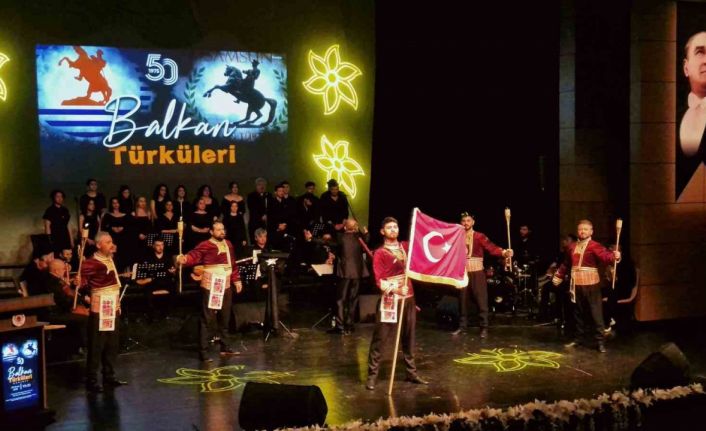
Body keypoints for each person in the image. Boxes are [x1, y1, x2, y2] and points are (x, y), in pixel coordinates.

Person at [365, 217, 427, 390]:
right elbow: (379, 280)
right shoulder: (380, 253)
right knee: (380, 338)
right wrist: (397, 290)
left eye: (395, 227)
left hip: (409, 298)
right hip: (390, 299)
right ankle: (372, 375)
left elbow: (422, 246)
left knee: (409, 337)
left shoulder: (405, 247)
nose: (393, 229)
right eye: (389, 227)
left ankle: (411, 372)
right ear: (382, 231)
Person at [176, 221, 243, 362]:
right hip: (212, 284)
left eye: (223, 229)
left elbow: (233, 264)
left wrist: (237, 280)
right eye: (218, 230)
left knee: (225, 317)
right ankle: (203, 351)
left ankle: (225, 347)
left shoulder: (228, 244)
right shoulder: (205, 245)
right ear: (211, 232)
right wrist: (185, 259)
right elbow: (194, 255)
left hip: (226, 284)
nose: (222, 232)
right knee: (208, 318)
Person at [552, 219, 621, 353]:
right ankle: (578, 338)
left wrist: (615, 256)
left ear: (591, 232)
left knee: (596, 313)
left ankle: (600, 341)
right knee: (577, 313)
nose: (582, 231)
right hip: (576, 284)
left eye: (585, 229)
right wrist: (559, 275)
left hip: (591, 284)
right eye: (580, 229)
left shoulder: (595, 246)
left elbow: (605, 256)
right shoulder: (571, 246)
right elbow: (566, 264)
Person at [79, 231, 128, 392]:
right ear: (98, 245)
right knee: (97, 344)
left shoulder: (110, 259)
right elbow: (82, 285)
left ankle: (109, 375)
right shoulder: (89, 263)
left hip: (113, 305)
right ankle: (91, 379)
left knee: (112, 344)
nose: (111, 245)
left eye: (111, 242)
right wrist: (78, 283)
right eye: (108, 242)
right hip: (100, 306)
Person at [454, 212, 512, 338]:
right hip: (462, 273)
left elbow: (491, 247)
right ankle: (462, 327)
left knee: (481, 300)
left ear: (473, 222)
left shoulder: (479, 236)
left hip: (477, 272)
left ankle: (484, 327)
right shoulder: (457, 236)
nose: (466, 223)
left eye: (468, 220)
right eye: (463, 221)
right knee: (462, 300)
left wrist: (504, 252)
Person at [329, 219, 369, 334]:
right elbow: (366, 240)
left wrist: (311, 239)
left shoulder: (340, 237)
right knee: (353, 299)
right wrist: (366, 233)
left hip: (345, 272)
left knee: (340, 299)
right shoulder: (360, 238)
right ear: (355, 228)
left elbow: (328, 243)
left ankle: (340, 326)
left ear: (345, 227)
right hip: (357, 272)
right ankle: (350, 325)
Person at [247, 177, 270, 242]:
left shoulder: (269, 195)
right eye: (260, 185)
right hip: (255, 223)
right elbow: (252, 208)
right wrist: (261, 216)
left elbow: (271, 208)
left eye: (263, 185)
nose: (262, 186)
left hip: (267, 224)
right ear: (256, 186)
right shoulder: (251, 196)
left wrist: (267, 215)